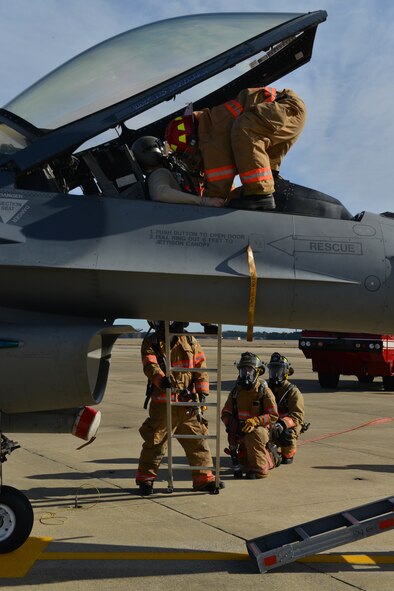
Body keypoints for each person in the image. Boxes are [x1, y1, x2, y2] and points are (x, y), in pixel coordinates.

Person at [165, 87, 306, 211]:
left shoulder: (210, 137)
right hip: (283, 112)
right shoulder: (210, 124)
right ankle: (269, 184)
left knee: (245, 128)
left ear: (194, 142)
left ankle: (260, 194)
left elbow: (219, 186)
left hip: (286, 109)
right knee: (253, 153)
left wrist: (204, 202)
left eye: (189, 154)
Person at [135, 320, 223, 494]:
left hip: (187, 405)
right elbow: (149, 364)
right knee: (156, 443)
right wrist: (161, 379)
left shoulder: (190, 341)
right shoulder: (151, 342)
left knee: (197, 442)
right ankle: (146, 481)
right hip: (163, 405)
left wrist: (202, 394)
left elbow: (200, 366)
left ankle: (204, 480)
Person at [221, 352, 280, 479]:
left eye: (250, 370)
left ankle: (260, 470)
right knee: (246, 463)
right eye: (243, 370)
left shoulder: (264, 392)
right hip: (241, 431)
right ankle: (254, 460)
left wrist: (256, 421)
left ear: (257, 372)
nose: (246, 374)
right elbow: (226, 412)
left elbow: (273, 415)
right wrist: (230, 426)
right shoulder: (236, 392)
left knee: (255, 434)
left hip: (262, 431)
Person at [131, 135, 225, 207]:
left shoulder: (162, 174)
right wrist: (205, 201)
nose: (167, 153)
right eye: (163, 149)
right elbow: (160, 193)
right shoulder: (159, 172)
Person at [267, 352, 306, 464]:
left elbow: (297, 415)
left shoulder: (293, 391)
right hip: (270, 424)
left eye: (279, 370)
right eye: (273, 370)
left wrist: (282, 424)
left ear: (286, 372)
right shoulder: (265, 389)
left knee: (287, 435)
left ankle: (287, 454)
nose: (275, 374)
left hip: (287, 426)